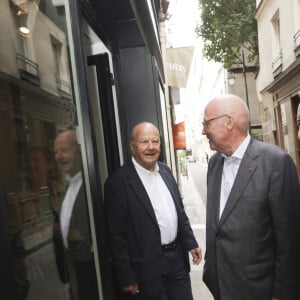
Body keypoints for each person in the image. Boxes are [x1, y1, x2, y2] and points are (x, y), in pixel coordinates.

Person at [202, 94, 300, 300]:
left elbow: (289, 240)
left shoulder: (276, 163)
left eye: (207, 123)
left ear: (229, 122)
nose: (203, 131)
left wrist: (282, 293)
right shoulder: (214, 164)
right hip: (220, 285)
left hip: (259, 290)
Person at [104, 121, 202, 300]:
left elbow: (178, 210)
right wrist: (125, 276)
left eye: (155, 141)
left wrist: (190, 242)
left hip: (176, 261)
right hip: (145, 268)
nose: (151, 147)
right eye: (144, 142)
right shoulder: (117, 183)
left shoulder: (165, 171)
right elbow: (115, 237)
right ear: (132, 146)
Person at [54, 129, 99, 300]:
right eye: (56, 151)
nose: (59, 156)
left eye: (64, 150)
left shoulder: (91, 185)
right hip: (74, 272)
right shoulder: (66, 187)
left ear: (79, 151)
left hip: (91, 272)